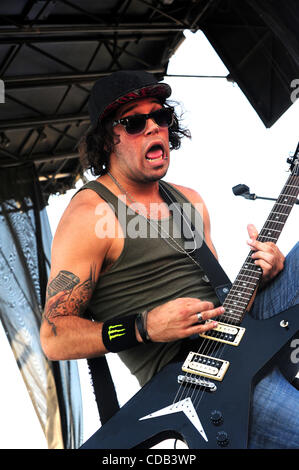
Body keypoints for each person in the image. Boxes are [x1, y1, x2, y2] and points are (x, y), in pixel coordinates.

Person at [40, 70, 299, 449]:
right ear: (106, 139)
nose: (153, 129)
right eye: (134, 123)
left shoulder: (189, 200)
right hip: (196, 375)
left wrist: (267, 272)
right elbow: (54, 337)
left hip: (237, 330)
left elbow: (220, 295)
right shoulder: (90, 215)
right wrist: (144, 326)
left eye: (160, 117)